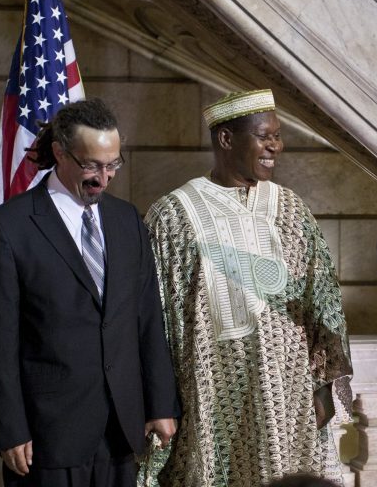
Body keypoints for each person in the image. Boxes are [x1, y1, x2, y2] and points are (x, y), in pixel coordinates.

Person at [139, 89, 352, 486]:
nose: (276, 145)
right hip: (209, 399)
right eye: (264, 136)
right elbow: (154, 320)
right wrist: (159, 401)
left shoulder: (291, 209)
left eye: (277, 135)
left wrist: (323, 387)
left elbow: (324, 302)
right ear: (226, 139)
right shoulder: (172, 215)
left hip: (287, 397)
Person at [0, 99, 179, 486]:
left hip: (121, 428)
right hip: (47, 436)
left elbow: (148, 317)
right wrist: (9, 427)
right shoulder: (6, 230)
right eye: (92, 165)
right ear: (60, 153)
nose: (104, 177)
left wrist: (160, 402)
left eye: (113, 164)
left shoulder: (126, 219)